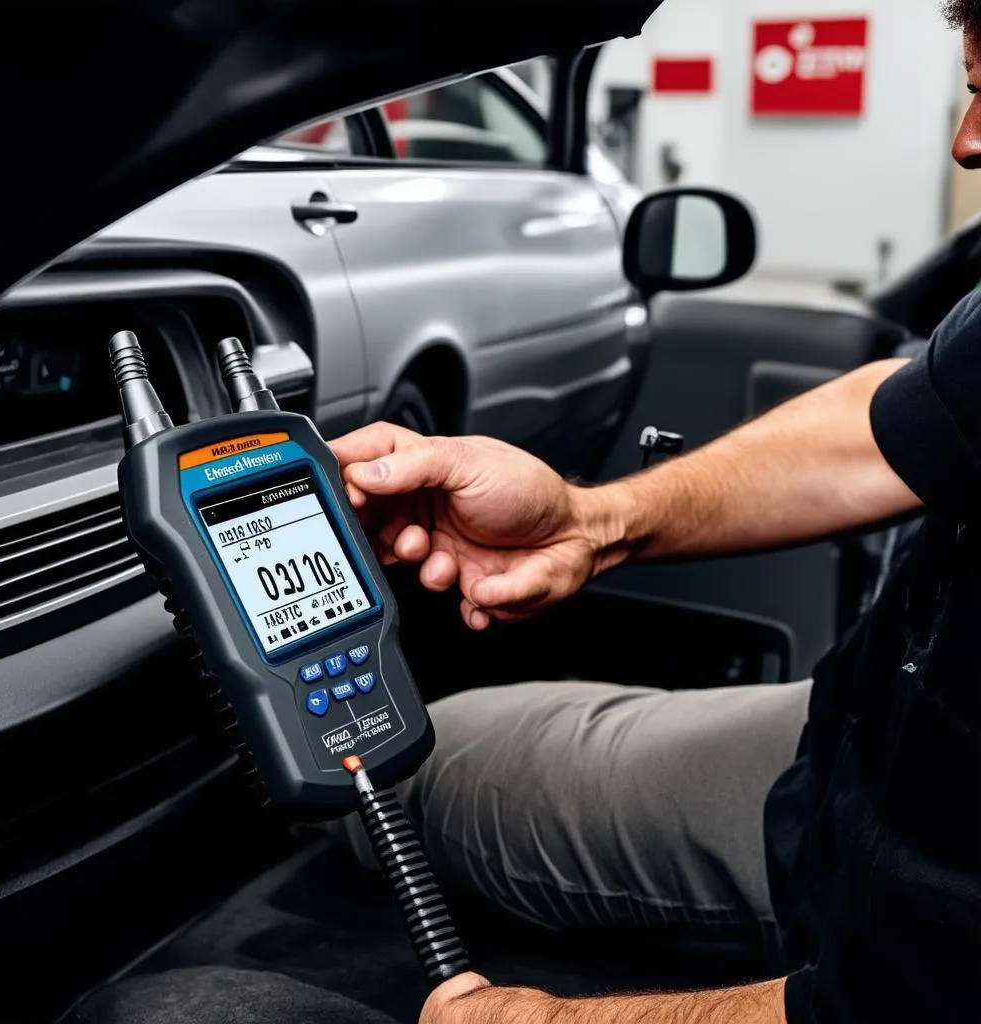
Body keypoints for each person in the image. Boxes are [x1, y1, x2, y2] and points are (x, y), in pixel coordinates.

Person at [328, 5, 981, 1021]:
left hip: (913, 925)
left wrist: (544, 1019)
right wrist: (591, 521)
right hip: (842, 757)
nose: (966, 141)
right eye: (972, 87)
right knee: (429, 764)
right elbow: (896, 416)